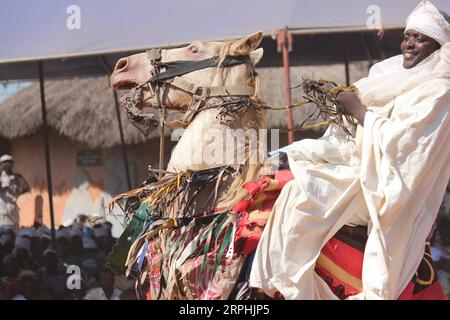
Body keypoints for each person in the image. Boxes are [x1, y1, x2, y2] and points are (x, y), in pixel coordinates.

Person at [249, 0, 450, 300]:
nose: (409, 44)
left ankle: (293, 290)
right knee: (288, 175)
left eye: (419, 38)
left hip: (387, 184)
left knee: (302, 194)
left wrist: (359, 112)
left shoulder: (439, 91)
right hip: (361, 165)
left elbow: (405, 149)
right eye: (407, 36)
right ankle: (265, 284)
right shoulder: (390, 73)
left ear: (438, 47)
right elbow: (358, 136)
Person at [0, 155, 30, 230]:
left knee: (13, 234)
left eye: (9, 162)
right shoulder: (0, 177)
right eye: (5, 162)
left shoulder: (18, 178)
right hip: (1, 212)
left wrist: (17, 195)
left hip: (13, 212)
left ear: (12, 164)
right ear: (1, 164)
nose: (7, 164)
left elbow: (26, 188)